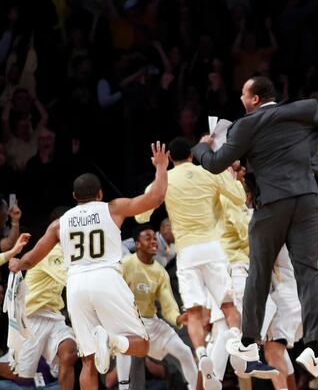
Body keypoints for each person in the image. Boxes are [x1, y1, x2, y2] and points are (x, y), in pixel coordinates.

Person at [191, 63, 318, 377]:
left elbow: (216, 164)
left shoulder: (245, 124)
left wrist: (202, 147)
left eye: (244, 93)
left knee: (258, 271)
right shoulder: (301, 111)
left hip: (273, 204)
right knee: (308, 273)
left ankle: (247, 340)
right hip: (308, 199)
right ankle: (313, 346)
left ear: (255, 99)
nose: (241, 98)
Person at [8, 142, 169, 390]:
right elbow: (155, 198)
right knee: (142, 344)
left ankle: (108, 341)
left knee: (88, 360)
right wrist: (160, 167)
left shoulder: (60, 224)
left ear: (74, 198)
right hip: (107, 278)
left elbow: (30, 260)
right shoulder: (112, 209)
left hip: (76, 286)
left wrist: (17, 260)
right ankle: (114, 341)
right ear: (100, 194)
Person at [135, 137, 274, 385]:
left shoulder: (165, 180)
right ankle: (234, 340)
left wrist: (160, 172)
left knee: (194, 312)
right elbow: (238, 196)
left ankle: (201, 355)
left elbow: (142, 215)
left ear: (171, 158)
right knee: (228, 305)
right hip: (213, 248)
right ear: (191, 154)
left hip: (187, 252)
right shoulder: (209, 173)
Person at [0, 209, 77, 390]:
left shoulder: (71, 250)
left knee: (69, 353)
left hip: (53, 314)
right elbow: (71, 280)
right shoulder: (52, 250)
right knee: (20, 374)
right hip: (31, 315)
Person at [117, 224, 197, 390]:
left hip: (150, 321)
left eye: (154, 238)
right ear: (137, 244)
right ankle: (124, 387)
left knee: (185, 352)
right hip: (129, 321)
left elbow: (167, 305)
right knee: (125, 346)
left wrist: (178, 317)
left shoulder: (160, 271)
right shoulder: (124, 264)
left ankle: (197, 387)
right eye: (148, 239)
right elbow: (109, 291)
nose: (154, 241)